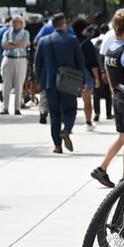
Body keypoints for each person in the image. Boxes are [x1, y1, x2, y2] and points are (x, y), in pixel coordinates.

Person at [91, 12, 124, 187]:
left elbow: (108, 75)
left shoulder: (111, 50)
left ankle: (102, 168)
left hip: (117, 97)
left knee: (122, 137)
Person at [35, 13, 87, 154]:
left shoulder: (43, 41)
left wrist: (40, 80)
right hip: (68, 81)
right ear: (64, 24)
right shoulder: (72, 40)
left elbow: (37, 63)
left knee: (54, 114)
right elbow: (80, 62)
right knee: (71, 110)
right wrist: (83, 80)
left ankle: (57, 146)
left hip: (49, 82)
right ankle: (66, 130)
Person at [73, 17, 101, 131]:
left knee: (70, 100)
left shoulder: (70, 40)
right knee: (87, 100)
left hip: (70, 72)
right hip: (85, 73)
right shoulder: (87, 43)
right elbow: (92, 62)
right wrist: (97, 78)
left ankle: (68, 123)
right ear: (84, 29)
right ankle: (88, 122)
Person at [0, 16, 30, 115]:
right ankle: (5, 108)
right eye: (14, 22)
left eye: (18, 22)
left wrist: (12, 43)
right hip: (8, 58)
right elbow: (4, 45)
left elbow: (23, 44)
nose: (16, 24)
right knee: (6, 85)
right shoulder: (7, 33)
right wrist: (16, 44)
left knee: (19, 84)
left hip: (20, 59)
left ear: (22, 24)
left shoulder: (25, 33)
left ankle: (17, 108)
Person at [92, 24, 113, 121]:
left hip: (96, 69)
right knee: (108, 92)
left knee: (96, 93)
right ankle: (108, 113)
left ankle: (97, 112)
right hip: (107, 69)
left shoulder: (93, 41)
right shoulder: (110, 40)